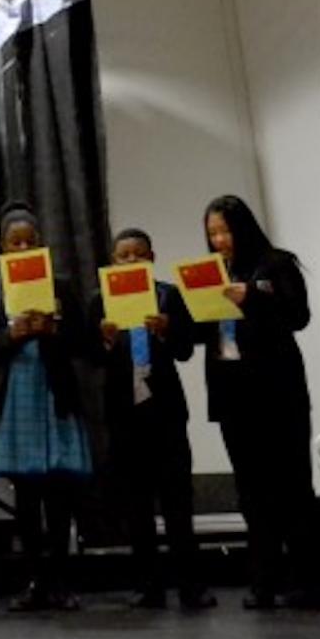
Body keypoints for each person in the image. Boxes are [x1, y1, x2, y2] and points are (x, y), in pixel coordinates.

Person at [201, 195, 320, 610]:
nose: (219, 240)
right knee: (251, 492)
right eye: (212, 233)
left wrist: (251, 296)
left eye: (225, 231)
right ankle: (263, 581)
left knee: (291, 486)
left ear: (243, 228)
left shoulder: (276, 264)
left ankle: (307, 579)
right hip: (233, 395)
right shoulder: (211, 273)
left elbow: (298, 316)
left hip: (277, 393)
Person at [0, 202, 92, 611]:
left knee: (59, 495)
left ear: (41, 244)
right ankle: (34, 581)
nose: (22, 248)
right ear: (2, 249)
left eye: (29, 242)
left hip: (53, 394)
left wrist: (54, 330)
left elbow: (85, 344)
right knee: (25, 496)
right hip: (14, 398)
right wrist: (12, 334)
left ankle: (60, 581)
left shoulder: (60, 287)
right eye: (14, 242)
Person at [92, 228, 216, 610]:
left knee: (178, 501)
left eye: (137, 255)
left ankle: (190, 586)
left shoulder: (169, 295)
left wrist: (168, 330)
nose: (130, 261)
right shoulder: (101, 299)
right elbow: (90, 356)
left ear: (151, 257)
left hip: (164, 412)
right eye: (122, 255)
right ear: (112, 261)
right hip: (124, 413)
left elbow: (184, 351)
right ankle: (149, 585)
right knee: (136, 504)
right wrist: (106, 340)